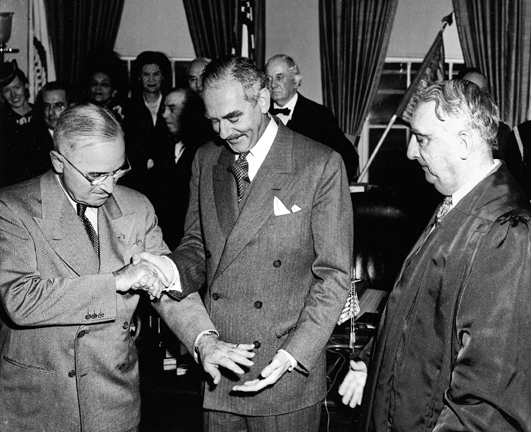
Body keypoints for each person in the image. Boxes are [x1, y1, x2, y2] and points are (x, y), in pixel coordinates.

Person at [137, 55, 353, 432]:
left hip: (285, 372)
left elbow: (333, 276)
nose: (223, 133)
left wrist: (294, 355)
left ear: (264, 101)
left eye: (233, 117)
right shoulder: (206, 159)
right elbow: (196, 244)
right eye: (213, 120)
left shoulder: (320, 164)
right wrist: (168, 268)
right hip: (220, 366)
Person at [0, 103, 214, 431]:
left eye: (117, 171)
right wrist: (116, 281)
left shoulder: (136, 206)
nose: (109, 187)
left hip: (113, 401)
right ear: (58, 162)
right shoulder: (12, 209)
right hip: (40, 403)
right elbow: (20, 298)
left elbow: (168, 283)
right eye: (96, 175)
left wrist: (204, 339)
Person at [339, 79, 531, 431]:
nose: (411, 151)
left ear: (463, 143)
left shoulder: (506, 231)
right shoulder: (455, 203)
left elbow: (488, 398)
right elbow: (413, 309)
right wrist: (371, 361)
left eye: (422, 139)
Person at [265, 54, 359, 181]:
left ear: (296, 80)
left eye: (279, 77)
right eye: (269, 79)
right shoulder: (260, 114)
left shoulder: (320, 116)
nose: (273, 84)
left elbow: (348, 159)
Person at [151, 87, 214, 249]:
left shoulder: (206, 150)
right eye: (164, 109)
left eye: (172, 109)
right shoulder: (163, 146)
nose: (164, 115)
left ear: (190, 112)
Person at [457, 67, 511, 160]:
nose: (478, 96)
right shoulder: (447, 127)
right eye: (471, 90)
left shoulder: (501, 130)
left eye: (482, 90)